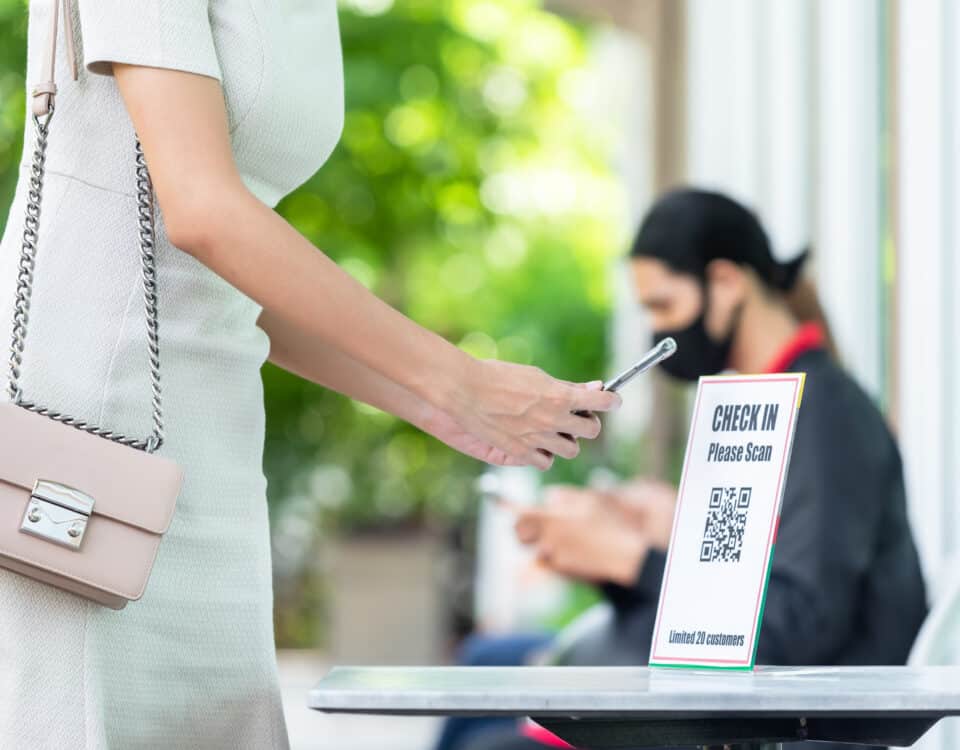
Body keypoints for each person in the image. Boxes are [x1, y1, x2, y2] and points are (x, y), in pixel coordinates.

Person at [0, 2, 621, 748]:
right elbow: (200, 211)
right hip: (87, 422)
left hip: (211, 423)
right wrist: (456, 379)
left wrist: (439, 407)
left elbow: (231, 278)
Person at [454, 188, 928, 750]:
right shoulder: (755, 406)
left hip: (787, 725)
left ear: (726, 283)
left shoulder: (825, 415)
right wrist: (636, 543)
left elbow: (798, 629)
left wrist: (627, 558)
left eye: (664, 306)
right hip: (732, 708)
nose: (658, 332)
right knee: (483, 687)